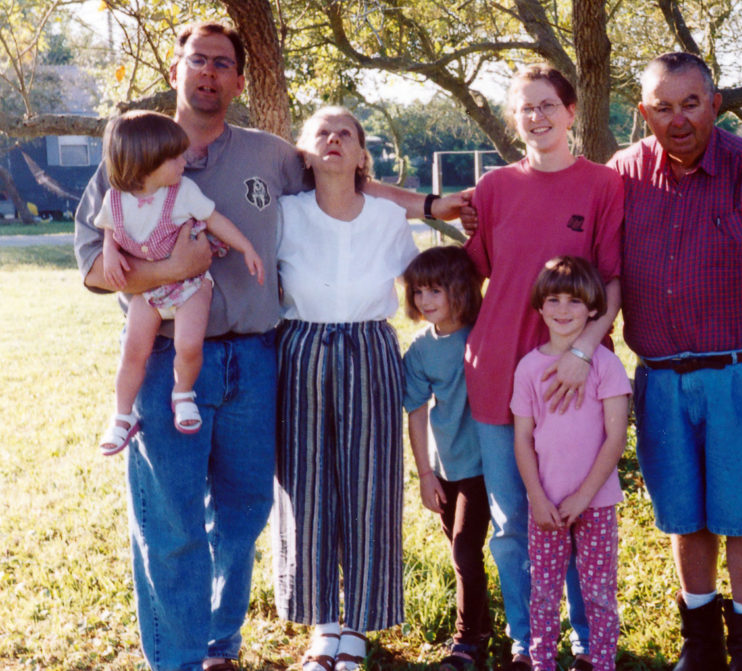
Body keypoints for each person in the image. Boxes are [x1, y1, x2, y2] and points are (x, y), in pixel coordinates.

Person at [75, 21, 464, 671]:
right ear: (177, 70)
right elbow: (92, 266)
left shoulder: (269, 155)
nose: (208, 73)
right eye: (197, 60)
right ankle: (178, 658)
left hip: (258, 359)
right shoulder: (136, 148)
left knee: (245, 511)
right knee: (171, 522)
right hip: (170, 357)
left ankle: (220, 646)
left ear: (239, 81)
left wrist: (427, 203)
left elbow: (352, 187)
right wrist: (175, 269)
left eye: (222, 64)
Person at [606, 53, 742, 670]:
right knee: (685, 514)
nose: (677, 120)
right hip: (662, 379)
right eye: (663, 106)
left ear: (716, 104)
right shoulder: (623, 175)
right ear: (644, 110)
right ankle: (700, 645)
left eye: (691, 104)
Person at [463, 63, 624, 670]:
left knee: (579, 518)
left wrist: (585, 351)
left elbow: (612, 279)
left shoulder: (602, 186)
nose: (536, 116)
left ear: (572, 111)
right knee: (512, 522)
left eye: (547, 104)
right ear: (514, 118)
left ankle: (586, 640)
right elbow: (470, 270)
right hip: (499, 367)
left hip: (574, 380)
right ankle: (531, 643)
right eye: (525, 107)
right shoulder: (495, 186)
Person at [274, 106, 419, 671]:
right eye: (322, 133)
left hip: (370, 349)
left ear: (362, 155)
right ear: (305, 154)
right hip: (301, 349)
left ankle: (358, 623)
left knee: (370, 487)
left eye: (347, 134)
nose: (334, 140)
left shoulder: (386, 218)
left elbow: (422, 285)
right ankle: (322, 626)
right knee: (306, 486)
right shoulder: (284, 213)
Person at [96, 110, 265, 454]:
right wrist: (110, 253)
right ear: (146, 162)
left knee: (188, 344)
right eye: (175, 157)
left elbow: (215, 220)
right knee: (133, 351)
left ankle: (183, 393)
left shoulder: (183, 191)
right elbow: (110, 230)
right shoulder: (115, 198)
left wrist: (246, 246)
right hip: (146, 292)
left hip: (190, 288)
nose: (184, 162)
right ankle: (123, 415)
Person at [511, 256, 631, 671]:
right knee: (543, 591)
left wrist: (584, 495)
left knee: (598, 591)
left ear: (594, 308)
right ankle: (543, 662)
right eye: (554, 300)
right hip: (546, 504)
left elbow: (616, 438)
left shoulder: (606, 365)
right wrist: (536, 497)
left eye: (575, 301)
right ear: (540, 307)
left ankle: (602, 662)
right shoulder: (528, 368)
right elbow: (523, 439)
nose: (563, 310)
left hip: (594, 502)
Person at [401, 246, 491, 671]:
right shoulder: (419, 350)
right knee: (462, 553)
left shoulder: (483, 333)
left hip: (487, 465)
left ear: (459, 289)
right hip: (447, 465)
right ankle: (483, 628)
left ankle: (466, 642)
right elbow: (416, 412)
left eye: (436, 289)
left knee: (464, 550)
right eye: (418, 291)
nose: (425, 300)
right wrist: (425, 474)